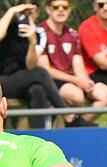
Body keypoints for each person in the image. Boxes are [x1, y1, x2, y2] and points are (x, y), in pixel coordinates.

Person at [0, 0, 89, 128]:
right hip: (3, 82)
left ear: (37, 13)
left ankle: (39, 135)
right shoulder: (9, 27)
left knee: (38, 90)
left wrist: (32, 42)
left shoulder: (39, 34)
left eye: (31, 12)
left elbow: (30, 66)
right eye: (23, 12)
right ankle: (68, 115)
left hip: (24, 82)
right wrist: (11, 11)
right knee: (40, 72)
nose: (27, 16)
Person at [37, 0, 99, 127]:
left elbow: (78, 64)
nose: (61, 10)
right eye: (56, 7)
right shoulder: (40, 32)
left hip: (72, 80)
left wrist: (85, 81)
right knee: (77, 96)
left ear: (70, 10)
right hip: (50, 81)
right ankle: (72, 123)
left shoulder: (72, 34)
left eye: (65, 7)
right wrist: (76, 80)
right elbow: (44, 69)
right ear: (48, 9)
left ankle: (77, 124)